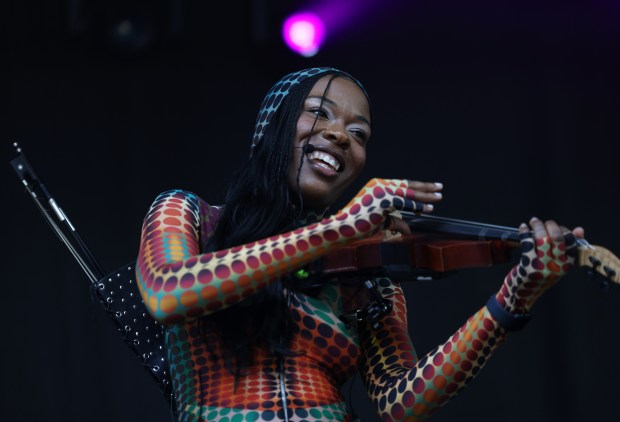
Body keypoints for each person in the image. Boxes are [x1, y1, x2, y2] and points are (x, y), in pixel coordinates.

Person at [136, 67, 584, 421]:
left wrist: (512, 299)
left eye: (359, 133)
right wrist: (340, 227)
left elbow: (402, 402)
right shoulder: (189, 213)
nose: (339, 135)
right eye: (319, 112)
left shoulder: (366, 276)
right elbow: (168, 292)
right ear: (273, 125)